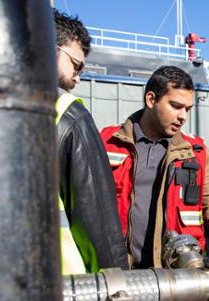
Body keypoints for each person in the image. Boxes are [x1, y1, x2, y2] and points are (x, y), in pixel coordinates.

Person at [100, 66, 209, 269]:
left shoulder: (196, 152)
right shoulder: (106, 143)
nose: (183, 116)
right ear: (150, 99)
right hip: (118, 273)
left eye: (188, 109)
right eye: (176, 106)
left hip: (178, 277)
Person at [54, 9, 127, 273]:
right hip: (67, 298)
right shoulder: (67, 113)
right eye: (76, 65)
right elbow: (100, 227)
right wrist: (121, 294)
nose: (77, 78)